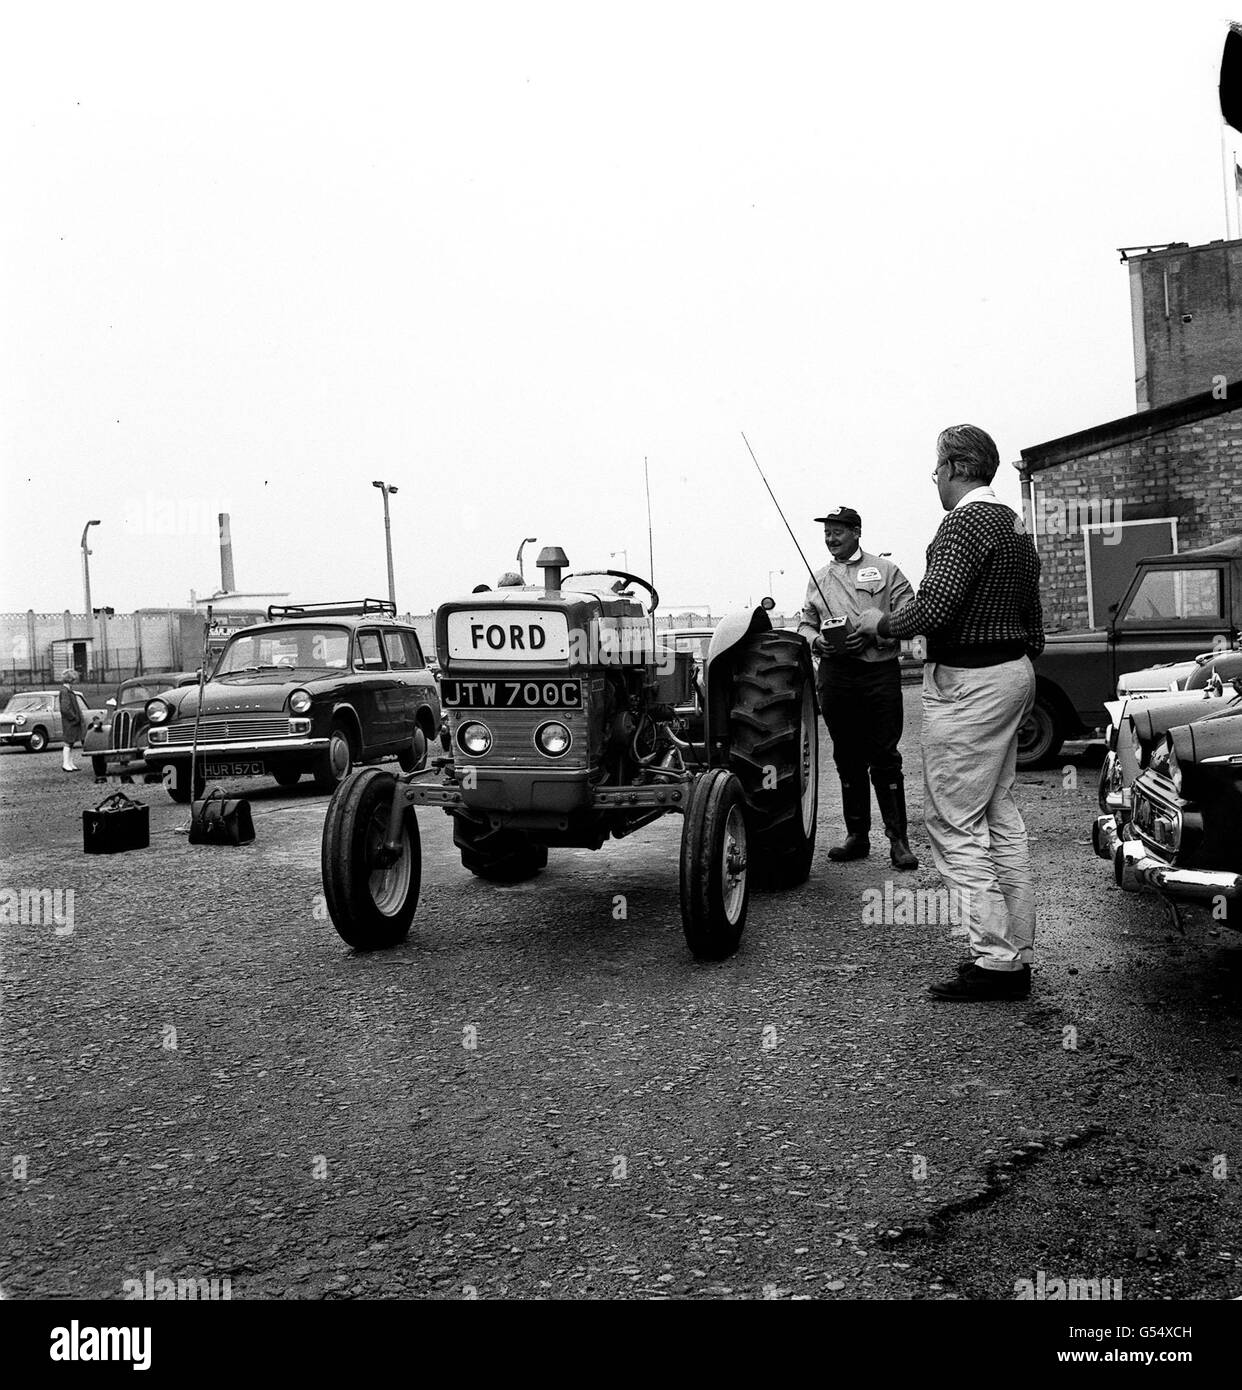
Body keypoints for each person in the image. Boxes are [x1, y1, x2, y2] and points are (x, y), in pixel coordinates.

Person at [854, 425, 1045, 1001]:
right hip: (1014, 671)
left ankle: (995, 963)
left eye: (937, 469)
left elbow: (934, 607)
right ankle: (1015, 946)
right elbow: (1033, 615)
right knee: (997, 812)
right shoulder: (1015, 526)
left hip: (971, 682)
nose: (935, 479)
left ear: (959, 467)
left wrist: (878, 624)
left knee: (954, 822)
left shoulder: (962, 522)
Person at [797, 505, 918, 870]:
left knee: (884, 757)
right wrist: (818, 643)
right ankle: (857, 836)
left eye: (837, 532)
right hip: (836, 677)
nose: (830, 539)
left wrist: (875, 635)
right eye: (826, 534)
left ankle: (898, 841)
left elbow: (909, 616)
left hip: (877, 674)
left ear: (856, 531)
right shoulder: (818, 578)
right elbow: (805, 625)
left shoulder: (887, 570)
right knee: (847, 757)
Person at [58, 669, 85, 772]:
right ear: (71, 679)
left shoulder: (68, 691)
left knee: (71, 742)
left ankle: (70, 763)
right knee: (68, 742)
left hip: (72, 721)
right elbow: (65, 708)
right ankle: (65, 764)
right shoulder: (65, 691)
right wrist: (73, 717)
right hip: (70, 721)